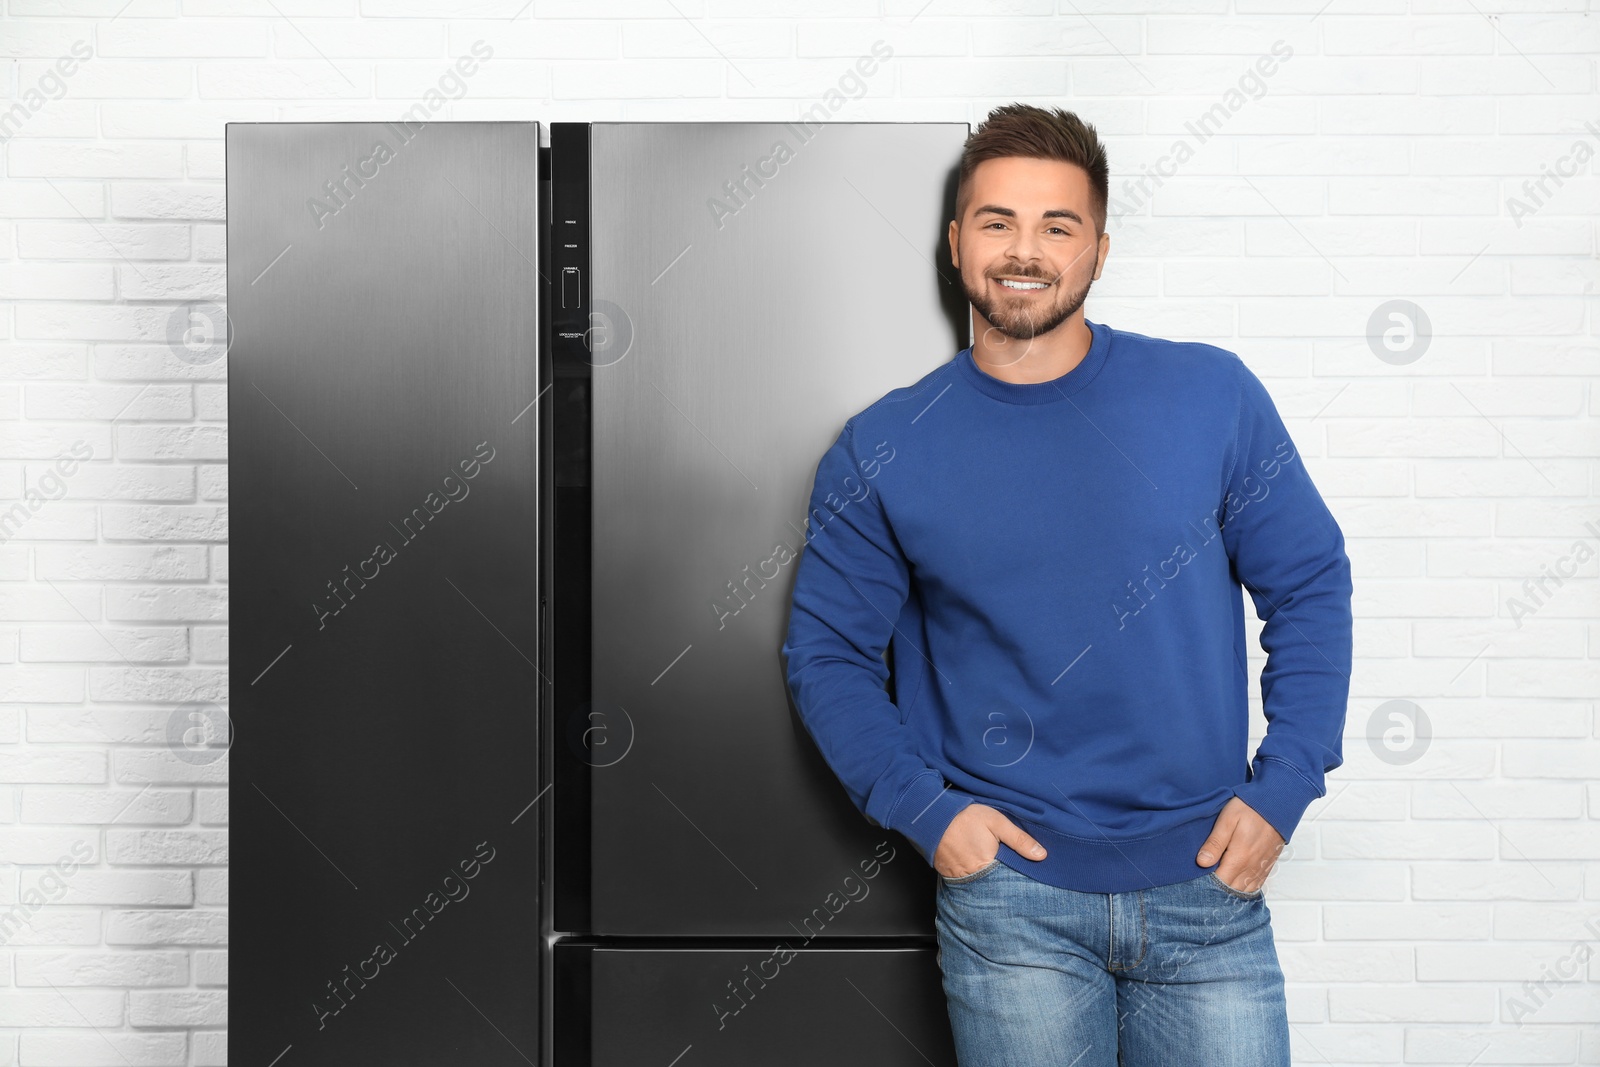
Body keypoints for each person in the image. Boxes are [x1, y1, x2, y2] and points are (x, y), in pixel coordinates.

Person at [780, 103, 1353, 1066]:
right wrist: (932, 815)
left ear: (1099, 250)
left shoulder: (1210, 396)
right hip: (1015, 906)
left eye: (1059, 225)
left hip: (1207, 890)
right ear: (956, 240)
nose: (1025, 250)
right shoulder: (883, 444)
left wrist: (1287, 785)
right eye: (997, 220)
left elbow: (1308, 585)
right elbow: (826, 654)